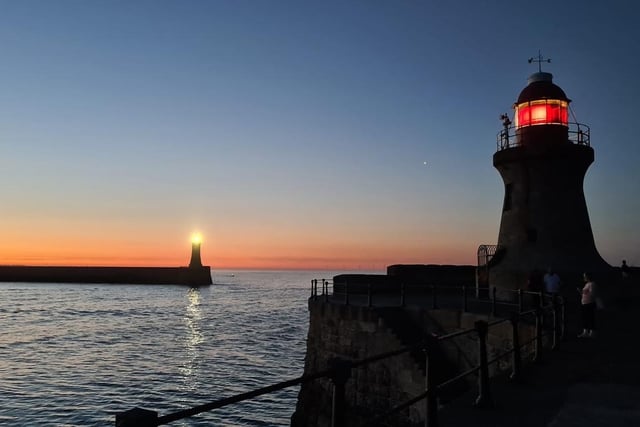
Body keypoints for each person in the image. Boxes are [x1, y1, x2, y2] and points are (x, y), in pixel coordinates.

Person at [577, 272, 597, 338]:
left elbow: (592, 295)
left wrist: (583, 292)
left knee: (590, 318)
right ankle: (585, 332)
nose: (584, 277)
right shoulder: (587, 284)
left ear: (588, 276)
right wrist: (581, 292)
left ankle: (591, 333)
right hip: (585, 303)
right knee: (585, 318)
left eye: (585, 276)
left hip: (589, 304)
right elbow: (584, 295)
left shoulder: (592, 284)